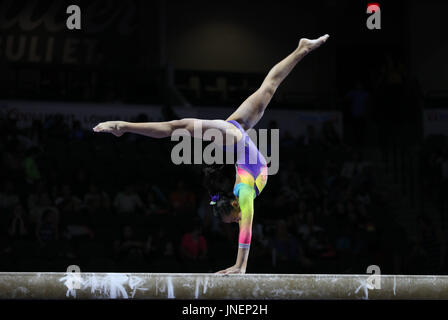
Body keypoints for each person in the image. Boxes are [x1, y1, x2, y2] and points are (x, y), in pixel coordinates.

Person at [93, 35, 329, 274]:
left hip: (232, 136)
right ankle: (302, 49)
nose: (238, 220)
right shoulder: (243, 191)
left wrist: (240, 266)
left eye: (234, 218)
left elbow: (246, 230)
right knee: (269, 86)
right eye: (234, 221)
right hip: (237, 132)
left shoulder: (244, 193)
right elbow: (244, 224)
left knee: (176, 127)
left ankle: (122, 126)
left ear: (235, 204)